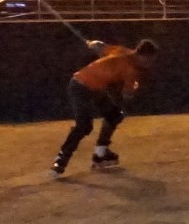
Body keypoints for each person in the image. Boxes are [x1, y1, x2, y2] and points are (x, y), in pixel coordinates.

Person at [50, 38, 159, 177]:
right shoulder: (131, 70)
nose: (150, 63)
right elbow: (127, 94)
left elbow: (100, 47)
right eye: (150, 59)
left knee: (114, 115)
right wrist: (134, 87)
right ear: (142, 55)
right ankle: (60, 160)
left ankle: (100, 154)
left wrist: (93, 44)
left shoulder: (121, 51)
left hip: (94, 89)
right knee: (84, 126)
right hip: (79, 87)